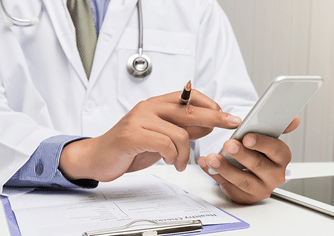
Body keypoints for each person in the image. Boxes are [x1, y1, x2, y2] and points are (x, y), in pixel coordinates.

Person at [0, 0, 299, 204]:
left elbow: (226, 113)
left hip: (160, 212)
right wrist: (80, 155)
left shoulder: (196, 7)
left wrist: (243, 166)